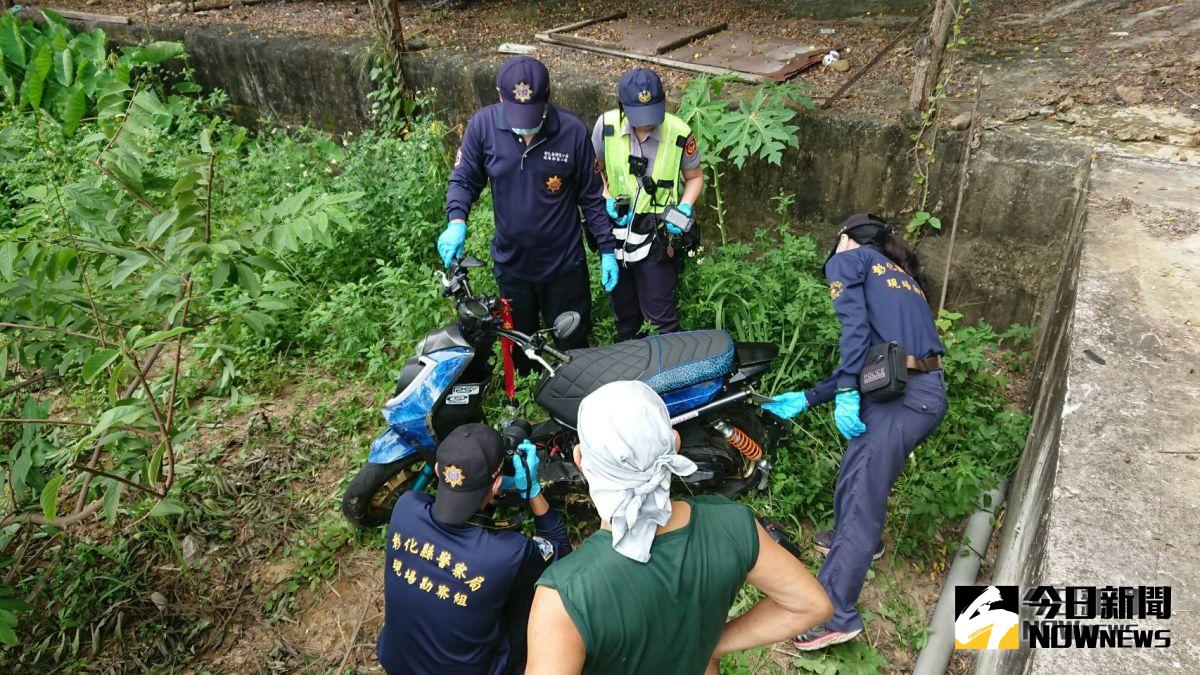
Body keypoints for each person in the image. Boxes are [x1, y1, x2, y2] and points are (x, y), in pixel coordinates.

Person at [525, 381, 832, 674]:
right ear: (675, 443)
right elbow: (812, 605)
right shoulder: (732, 524)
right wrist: (711, 647)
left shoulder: (565, 595)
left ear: (580, 458)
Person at [761, 213, 948, 651]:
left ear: (844, 238)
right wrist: (811, 396)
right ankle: (859, 542)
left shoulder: (848, 260)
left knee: (864, 490)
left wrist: (846, 389)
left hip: (903, 398)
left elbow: (855, 332)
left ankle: (834, 612)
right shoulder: (902, 277)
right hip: (920, 391)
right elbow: (879, 357)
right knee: (858, 470)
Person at [439, 56, 618, 370]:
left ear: (547, 97)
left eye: (533, 114)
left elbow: (591, 197)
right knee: (521, 349)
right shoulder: (483, 126)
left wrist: (606, 249)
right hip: (512, 266)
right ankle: (528, 388)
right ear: (500, 97)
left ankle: (572, 389)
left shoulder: (572, 131)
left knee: (573, 347)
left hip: (564, 266)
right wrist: (456, 221)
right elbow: (464, 179)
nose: (525, 126)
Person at [377, 423, 570, 674]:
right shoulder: (508, 553)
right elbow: (561, 550)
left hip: (396, 661)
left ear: (437, 470)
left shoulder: (406, 507)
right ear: (497, 484)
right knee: (532, 595)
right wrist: (532, 490)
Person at [591, 67, 704, 340]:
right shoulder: (606, 127)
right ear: (622, 107)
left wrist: (685, 207)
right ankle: (632, 362)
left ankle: (667, 364)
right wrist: (605, 196)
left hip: (658, 233)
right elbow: (593, 170)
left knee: (661, 317)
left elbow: (694, 177)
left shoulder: (679, 132)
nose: (646, 124)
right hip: (617, 230)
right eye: (638, 117)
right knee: (625, 317)